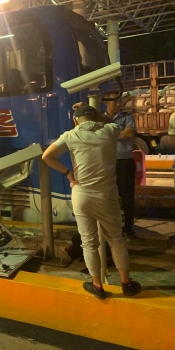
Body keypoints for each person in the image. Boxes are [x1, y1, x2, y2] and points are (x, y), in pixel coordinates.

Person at [42, 105, 141, 299]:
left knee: (88, 243)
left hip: (82, 194)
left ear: (76, 121)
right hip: (107, 195)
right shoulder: (110, 130)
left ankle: (97, 286)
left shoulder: (70, 135)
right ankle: (126, 284)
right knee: (116, 239)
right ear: (96, 118)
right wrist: (97, 113)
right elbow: (111, 123)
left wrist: (68, 173)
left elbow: (47, 156)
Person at [104, 94, 137, 237]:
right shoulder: (101, 118)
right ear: (106, 103)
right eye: (115, 102)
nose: (118, 105)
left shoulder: (127, 116)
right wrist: (119, 134)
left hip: (125, 162)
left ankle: (128, 228)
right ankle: (113, 226)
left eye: (119, 102)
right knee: (109, 195)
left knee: (126, 195)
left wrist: (107, 135)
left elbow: (129, 133)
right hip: (107, 162)